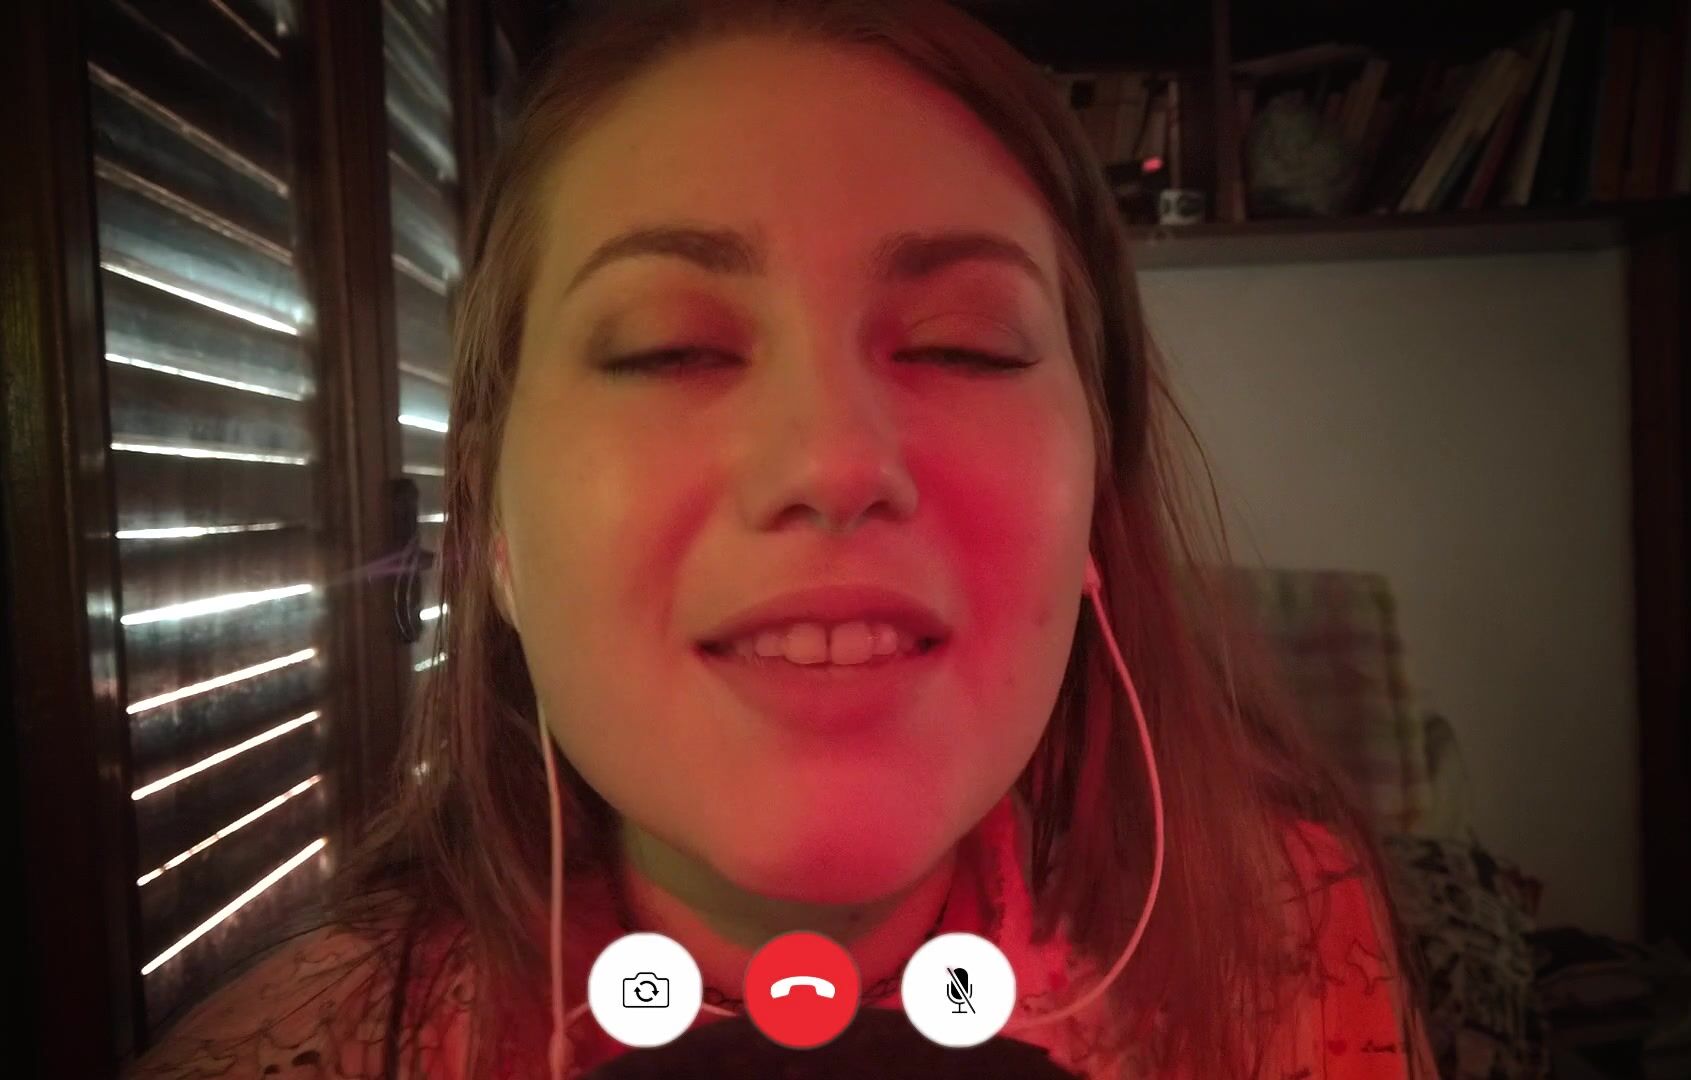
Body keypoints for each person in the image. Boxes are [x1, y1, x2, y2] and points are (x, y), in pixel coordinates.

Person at [128, 1, 1433, 1077]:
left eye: (963, 346)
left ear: (1099, 489)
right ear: (494, 526)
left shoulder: (1299, 946)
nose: (833, 462)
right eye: (670, 349)